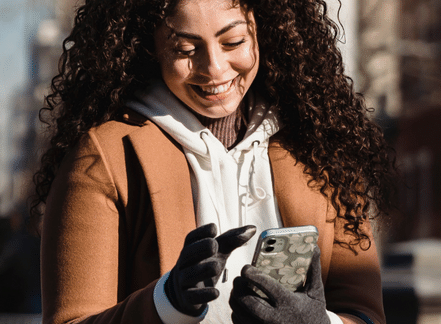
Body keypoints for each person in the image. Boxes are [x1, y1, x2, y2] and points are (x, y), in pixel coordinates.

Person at [33, 0, 396, 322]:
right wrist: (166, 302)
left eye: (233, 42)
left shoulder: (319, 145)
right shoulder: (105, 157)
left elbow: (365, 313)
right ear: (148, 47)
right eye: (186, 48)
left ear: (265, 28)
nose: (215, 68)